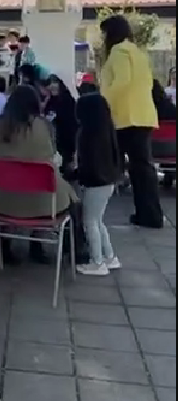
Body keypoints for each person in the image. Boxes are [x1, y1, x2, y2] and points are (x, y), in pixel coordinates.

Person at [0, 85, 74, 263]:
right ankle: (45, 247)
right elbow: (52, 154)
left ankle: (2, 247)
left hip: (3, 203)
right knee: (69, 194)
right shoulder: (44, 126)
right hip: (45, 204)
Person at [100, 14, 163, 229]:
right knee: (143, 168)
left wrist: (103, 100)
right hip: (144, 115)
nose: (103, 38)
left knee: (126, 166)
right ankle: (150, 215)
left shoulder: (118, 52)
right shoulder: (138, 53)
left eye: (105, 33)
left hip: (126, 116)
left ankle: (146, 215)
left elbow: (121, 82)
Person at [75, 93, 122, 275]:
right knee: (98, 220)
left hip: (94, 183)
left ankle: (97, 262)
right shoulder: (107, 131)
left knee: (90, 222)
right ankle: (109, 257)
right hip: (107, 181)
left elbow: (87, 164)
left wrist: (75, 174)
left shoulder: (87, 135)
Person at [43, 75, 78, 171]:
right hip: (55, 136)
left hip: (66, 135)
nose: (52, 86)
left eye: (54, 83)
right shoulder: (51, 100)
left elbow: (70, 121)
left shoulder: (67, 99)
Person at [152, 79, 177, 188]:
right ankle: (169, 176)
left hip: (152, 149)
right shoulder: (172, 109)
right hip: (172, 150)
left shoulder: (146, 111)